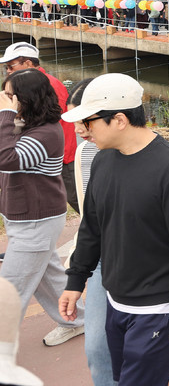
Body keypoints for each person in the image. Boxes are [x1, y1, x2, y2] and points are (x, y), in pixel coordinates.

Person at [60, 74, 169, 386]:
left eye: (89, 122)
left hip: (156, 308)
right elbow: (92, 228)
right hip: (116, 301)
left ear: (120, 120)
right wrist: (76, 280)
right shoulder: (102, 161)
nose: (82, 130)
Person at [0, 68, 84, 346]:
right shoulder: (26, 125)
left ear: (29, 98)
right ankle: (78, 321)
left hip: (36, 223)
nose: (7, 101)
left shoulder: (46, 133)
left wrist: (5, 116)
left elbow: (8, 159)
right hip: (28, 220)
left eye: (12, 96)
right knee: (50, 281)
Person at [0, 41, 79, 213]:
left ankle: (100, 233)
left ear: (28, 63)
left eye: (11, 66)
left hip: (60, 155)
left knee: (75, 198)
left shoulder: (46, 85)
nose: (8, 71)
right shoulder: (35, 85)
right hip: (48, 152)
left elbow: (49, 119)